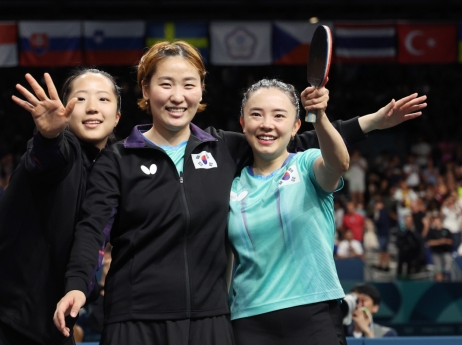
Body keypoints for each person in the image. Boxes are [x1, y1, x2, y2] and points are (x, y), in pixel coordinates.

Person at [54, 41, 427, 345]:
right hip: (135, 321)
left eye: (188, 84)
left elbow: (291, 139)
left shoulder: (223, 148)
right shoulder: (118, 159)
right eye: (165, 84)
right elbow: (92, 230)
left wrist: (374, 122)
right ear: (146, 90)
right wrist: (77, 286)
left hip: (210, 322)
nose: (177, 96)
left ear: (201, 90)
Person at [0, 68, 122, 345]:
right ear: (65, 110)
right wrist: (49, 137)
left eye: (103, 99)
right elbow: (45, 159)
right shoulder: (62, 149)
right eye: (80, 99)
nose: (91, 107)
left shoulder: (114, 173)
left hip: (55, 323)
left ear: (117, 117)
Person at [227, 78, 350, 345]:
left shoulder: (306, 164)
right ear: (243, 124)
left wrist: (319, 118)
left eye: (279, 116)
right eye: (256, 114)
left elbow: (339, 163)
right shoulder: (232, 186)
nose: (266, 124)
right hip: (248, 320)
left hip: (314, 313)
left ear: (296, 126)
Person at [426, 216, 454, 281]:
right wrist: (439, 242)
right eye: (434, 221)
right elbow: (429, 242)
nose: (435, 222)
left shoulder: (446, 230)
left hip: (445, 252)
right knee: (438, 270)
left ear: (440, 221)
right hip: (436, 253)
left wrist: (445, 241)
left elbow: (451, 241)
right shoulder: (432, 232)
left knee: (448, 266)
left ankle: (447, 280)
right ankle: (439, 282)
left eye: (437, 221)